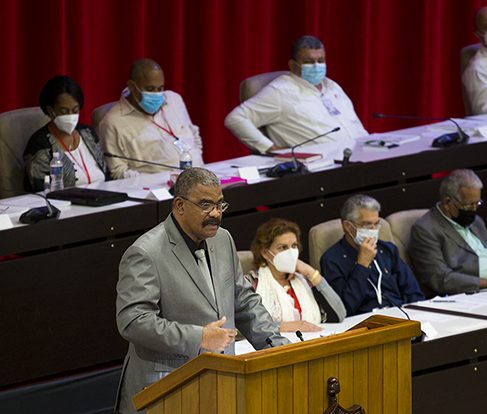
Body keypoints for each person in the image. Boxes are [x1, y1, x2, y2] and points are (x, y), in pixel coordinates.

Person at [115, 168, 288, 414]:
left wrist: (277, 346)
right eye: (206, 205)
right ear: (180, 205)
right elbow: (132, 321)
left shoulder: (222, 239)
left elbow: (243, 300)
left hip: (221, 381)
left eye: (220, 204)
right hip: (166, 388)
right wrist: (198, 338)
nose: (216, 214)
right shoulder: (145, 252)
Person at [224, 35, 368, 154]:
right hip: (323, 166)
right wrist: (269, 148)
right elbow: (236, 119)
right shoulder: (280, 91)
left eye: (321, 61)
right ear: (293, 65)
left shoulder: (332, 86)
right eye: (309, 62)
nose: (317, 66)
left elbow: (355, 124)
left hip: (361, 155)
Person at [409, 169, 487, 295]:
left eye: (477, 203)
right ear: (447, 203)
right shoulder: (426, 229)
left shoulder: (476, 221)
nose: (474, 210)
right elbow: (440, 278)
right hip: (477, 292)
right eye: (468, 205)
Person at [98, 58, 203, 179]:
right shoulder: (112, 122)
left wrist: (197, 160)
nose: (157, 94)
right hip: (159, 190)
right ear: (132, 86)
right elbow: (118, 172)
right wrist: (159, 182)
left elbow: (194, 134)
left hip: (200, 177)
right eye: (150, 89)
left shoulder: (174, 100)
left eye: (160, 88)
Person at [320, 195, 424, 316]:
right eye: (367, 225)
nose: (373, 230)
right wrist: (362, 265)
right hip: (363, 323)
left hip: (401, 315)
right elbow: (344, 309)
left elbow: (414, 294)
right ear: (348, 226)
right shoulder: (332, 259)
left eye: (376, 224)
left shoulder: (388, 250)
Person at [247, 218, 346, 332]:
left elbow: (340, 314)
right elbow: (242, 328)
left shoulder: (305, 279)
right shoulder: (252, 283)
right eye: (282, 248)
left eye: (294, 246)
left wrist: (312, 273)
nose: (290, 252)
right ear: (265, 253)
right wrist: (283, 327)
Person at [23, 75, 109, 192]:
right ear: (50, 111)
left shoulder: (87, 133)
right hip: (68, 206)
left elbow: (107, 174)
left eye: (75, 110)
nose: (70, 116)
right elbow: (40, 189)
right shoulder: (39, 144)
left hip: (104, 200)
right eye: (64, 111)